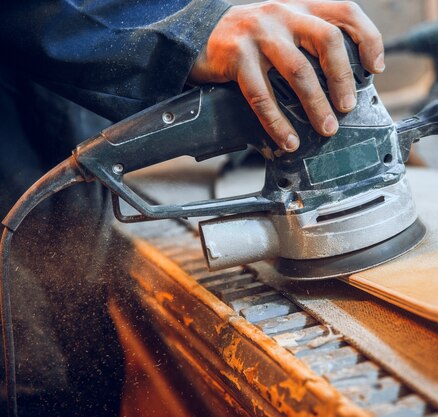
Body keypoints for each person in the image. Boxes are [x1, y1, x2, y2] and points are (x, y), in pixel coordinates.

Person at [0, 1, 384, 415]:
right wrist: (189, 30)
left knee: (77, 361)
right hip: (15, 159)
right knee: (41, 375)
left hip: (57, 145)